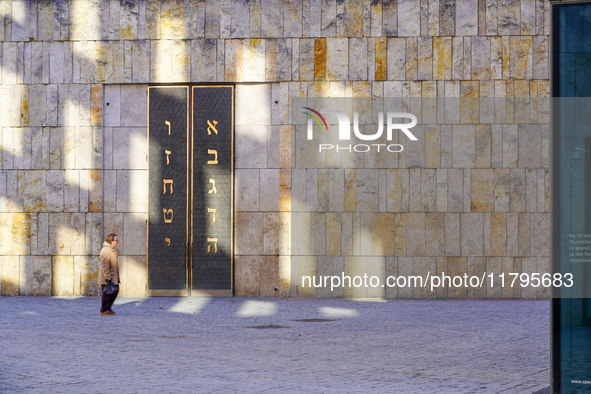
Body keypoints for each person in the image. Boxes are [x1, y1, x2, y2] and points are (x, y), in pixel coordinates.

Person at [99, 234, 120, 316]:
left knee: (114, 291)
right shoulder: (106, 250)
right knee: (107, 293)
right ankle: (104, 309)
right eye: (116, 240)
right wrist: (107, 276)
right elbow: (105, 264)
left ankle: (108, 307)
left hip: (113, 276)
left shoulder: (110, 249)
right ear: (111, 241)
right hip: (108, 277)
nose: (117, 241)